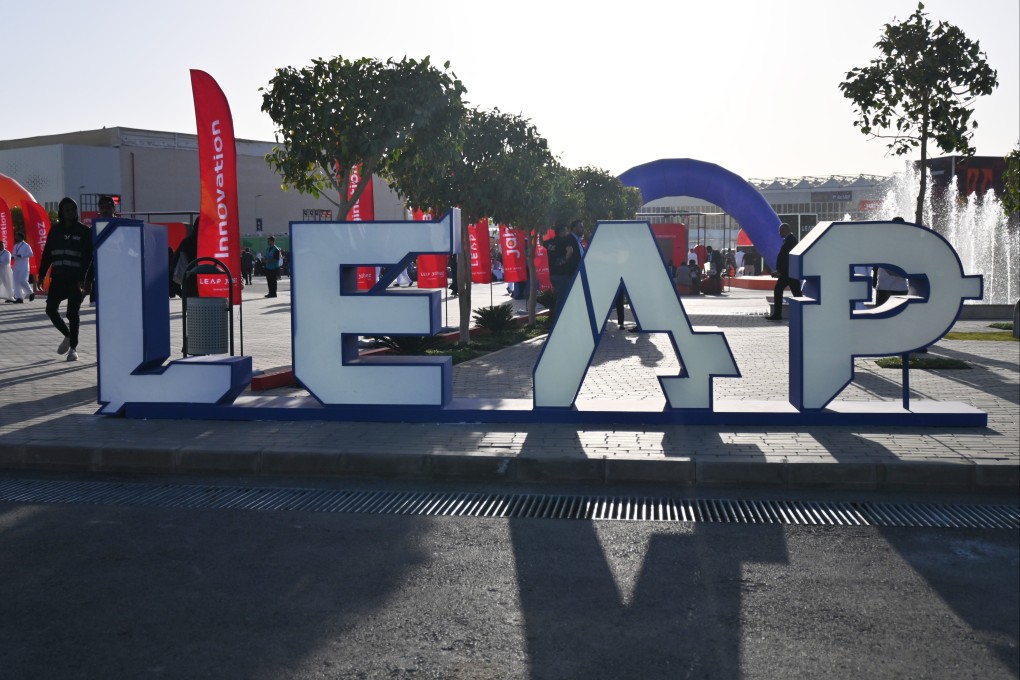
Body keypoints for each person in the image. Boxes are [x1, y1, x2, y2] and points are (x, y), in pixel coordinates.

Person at [38, 197, 93, 361]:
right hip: (58, 278)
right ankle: (68, 335)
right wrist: (41, 274)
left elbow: (88, 258)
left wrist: (85, 279)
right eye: (67, 210)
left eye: (73, 209)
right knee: (50, 310)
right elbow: (47, 253)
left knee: (72, 313)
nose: (71, 212)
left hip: (76, 279)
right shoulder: (54, 231)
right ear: (62, 212)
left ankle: (73, 349)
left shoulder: (84, 231)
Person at [544, 221, 583, 320]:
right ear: (562, 232)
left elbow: (542, 243)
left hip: (553, 274)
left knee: (560, 298)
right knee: (563, 299)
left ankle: (561, 320)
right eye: (566, 231)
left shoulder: (550, 242)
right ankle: (559, 321)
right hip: (563, 274)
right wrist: (565, 260)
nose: (567, 233)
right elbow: (570, 251)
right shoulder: (565, 241)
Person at [766, 223, 802, 320]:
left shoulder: (791, 241)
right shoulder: (789, 240)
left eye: (780, 230)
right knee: (794, 292)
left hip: (788, 273)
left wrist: (780, 271)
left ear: (784, 229)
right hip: (788, 272)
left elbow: (787, 258)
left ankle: (778, 314)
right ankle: (778, 314)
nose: (779, 233)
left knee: (793, 292)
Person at [873, 217, 910, 307]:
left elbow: (876, 261)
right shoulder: (907, 242)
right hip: (896, 286)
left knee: (883, 315)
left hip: (886, 285)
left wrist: (874, 277)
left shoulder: (884, 241)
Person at [11, 232, 34, 303]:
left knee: (22, 281)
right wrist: (12, 257)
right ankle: (19, 298)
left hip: (24, 266)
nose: (16, 237)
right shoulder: (15, 246)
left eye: (17, 236)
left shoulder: (26, 245)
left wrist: (22, 255)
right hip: (16, 265)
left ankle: (31, 292)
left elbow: (31, 253)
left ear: (21, 237)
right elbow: (14, 254)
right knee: (16, 282)